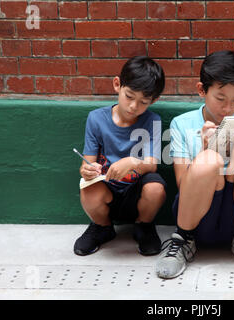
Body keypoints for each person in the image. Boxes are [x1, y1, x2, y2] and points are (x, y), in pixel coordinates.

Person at [155, 50, 234, 278]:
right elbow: (184, 184)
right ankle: (182, 241)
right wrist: (207, 149)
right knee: (209, 160)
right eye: (220, 98)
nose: (228, 108)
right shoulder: (181, 124)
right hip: (194, 219)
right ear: (202, 90)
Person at [74, 56, 167, 257]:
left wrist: (133, 162)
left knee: (155, 188)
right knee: (87, 187)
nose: (134, 106)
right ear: (117, 85)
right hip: (106, 188)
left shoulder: (152, 120)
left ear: (154, 100)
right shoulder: (96, 118)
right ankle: (102, 227)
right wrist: (86, 170)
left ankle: (144, 226)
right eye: (129, 96)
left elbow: (152, 165)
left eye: (144, 101)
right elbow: (86, 163)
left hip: (136, 191)